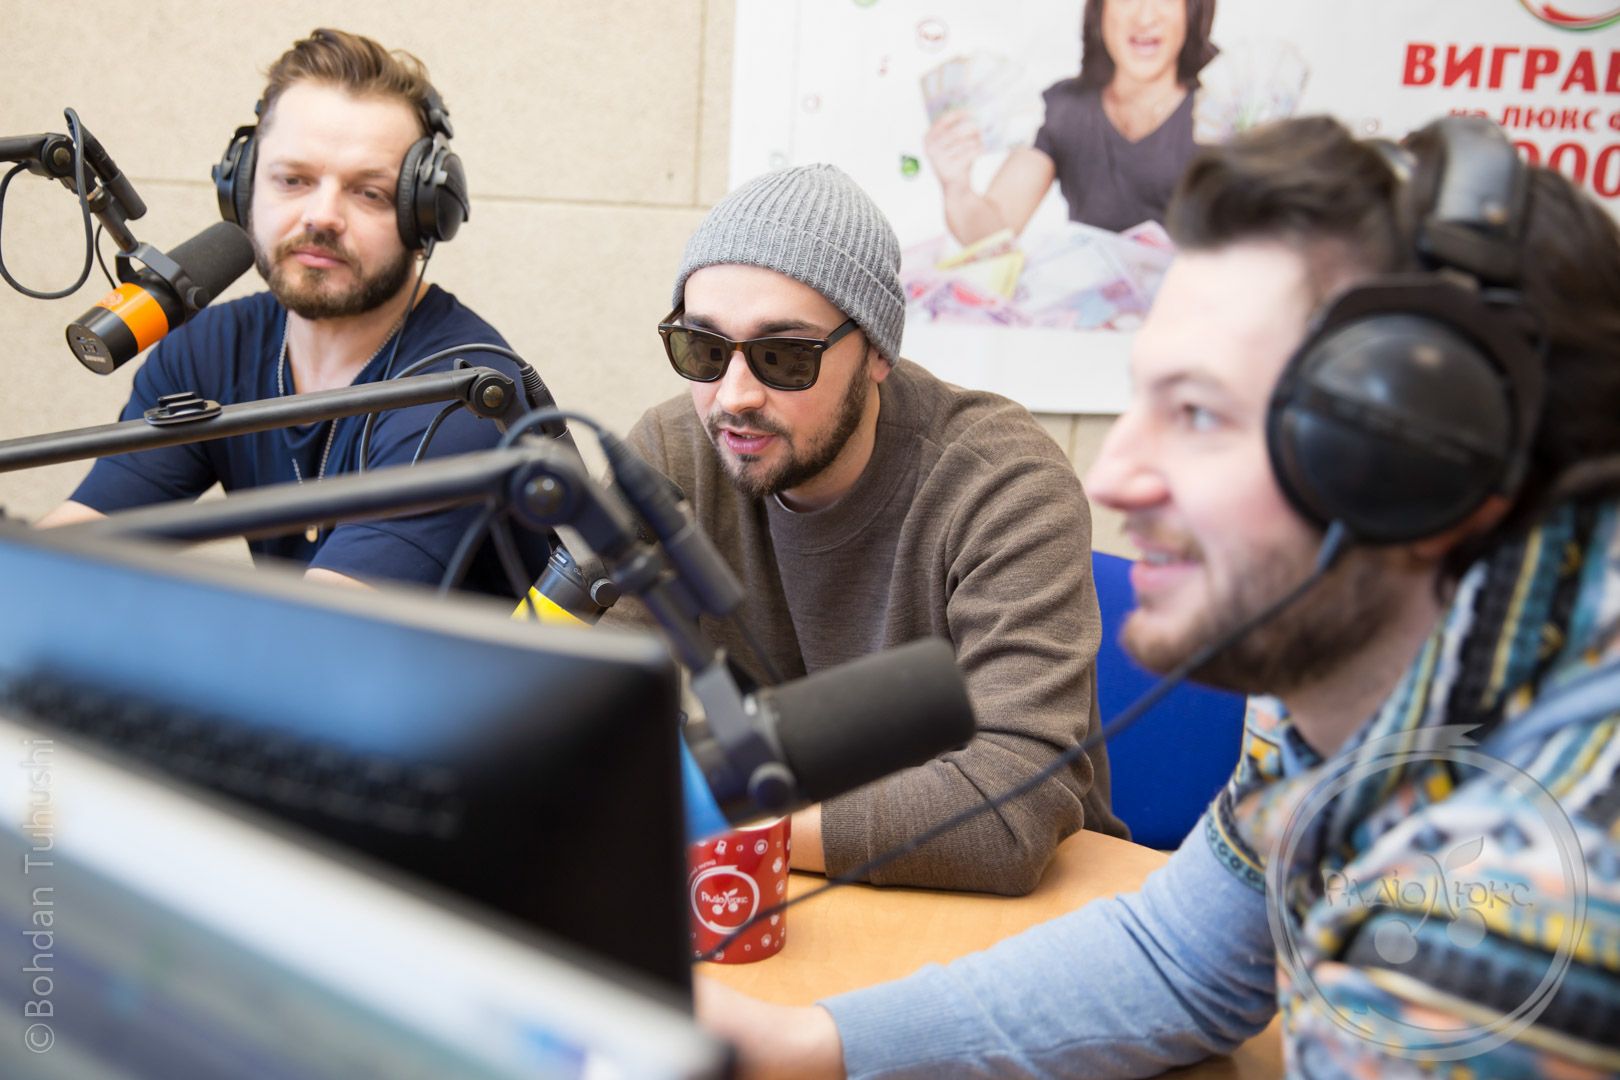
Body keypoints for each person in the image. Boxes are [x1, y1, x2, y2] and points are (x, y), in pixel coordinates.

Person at [699, 115, 1620, 1076]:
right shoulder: (1343, 692)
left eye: (1199, 413)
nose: (1114, 478)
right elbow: (1184, 960)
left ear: (1417, 466)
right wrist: (803, 1046)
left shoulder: (1520, 918)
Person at [601, 163, 1126, 895]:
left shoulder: (1002, 481)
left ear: (877, 351)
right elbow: (591, 715)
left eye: (784, 356)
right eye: (704, 350)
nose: (733, 397)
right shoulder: (674, 456)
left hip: (1007, 915)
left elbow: (1010, 815)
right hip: (791, 884)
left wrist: (710, 820)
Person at [40, 28, 546, 596]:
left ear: (424, 217)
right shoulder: (209, 350)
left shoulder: (464, 391)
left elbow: (328, 626)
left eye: (369, 192)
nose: (322, 216)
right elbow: (76, 550)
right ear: (243, 189)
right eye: (293, 180)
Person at [924, 0, 1218, 242]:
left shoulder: (1225, 113)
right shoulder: (1064, 108)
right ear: (1100, 8)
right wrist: (956, 186)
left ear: (1193, 10)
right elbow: (992, 236)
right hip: (1097, 295)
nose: (1145, 17)